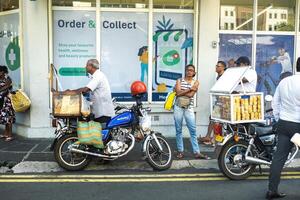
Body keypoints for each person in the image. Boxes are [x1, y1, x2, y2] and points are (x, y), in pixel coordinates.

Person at [266, 58, 300, 199]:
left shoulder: (285, 81)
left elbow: (276, 102)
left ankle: (271, 190)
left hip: (284, 123)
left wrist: (278, 117)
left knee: (279, 158)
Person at [174, 64, 210, 160]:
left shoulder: (196, 82)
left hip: (189, 108)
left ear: (194, 73)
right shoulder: (179, 80)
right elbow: (178, 93)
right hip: (178, 107)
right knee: (178, 130)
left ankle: (196, 152)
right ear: (185, 71)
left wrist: (183, 91)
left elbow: (190, 95)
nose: (189, 72)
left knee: (193, 130)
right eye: (188, 70)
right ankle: (180, 151)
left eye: (191, 70)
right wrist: (190, 88)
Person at [65, 59, 114, 123]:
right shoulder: (96, 76)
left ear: (91, 66)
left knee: (101, 132)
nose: (85, 67)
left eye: (87, 65)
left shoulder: (98, 76)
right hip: (99, 112)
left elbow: (86, 89)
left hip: (103, 113)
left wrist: (70, 92)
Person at [198, 61, 226, 145]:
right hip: (218, 100)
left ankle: (214, 139)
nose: (216, 67)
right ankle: (210, 137)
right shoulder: (219, 76)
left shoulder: (223, 76)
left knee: (216, 120)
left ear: (223, 67)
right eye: (216, 65)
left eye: (218, 66)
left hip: (222, 101)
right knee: (213, 118)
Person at [0, 65, 15, 142]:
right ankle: (6, 133)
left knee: (9, 117)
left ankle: (10, 135)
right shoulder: (1, 78)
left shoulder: (7, 78)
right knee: (5, 117)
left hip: (7, 101)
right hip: (2, 101)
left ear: (2, 72)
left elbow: (8, 86)